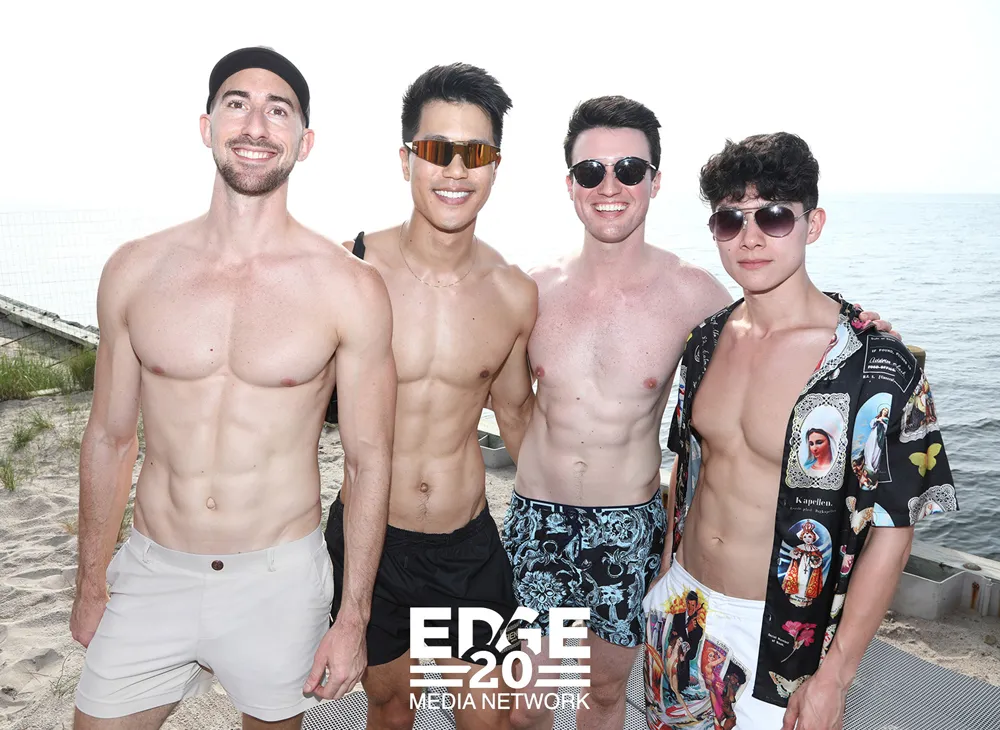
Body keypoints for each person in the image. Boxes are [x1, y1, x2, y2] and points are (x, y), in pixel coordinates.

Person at [504, 97, 894, 730]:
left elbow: (776, 315)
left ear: (654, 181)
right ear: (569, 183)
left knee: (604, 695)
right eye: (591, 171)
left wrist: (864, 331)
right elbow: (506, 398)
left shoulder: (695, 296)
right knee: (526, 704)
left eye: (630, 169)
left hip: (630, 525)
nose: (610, 186)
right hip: (540, 519)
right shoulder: (531, 288)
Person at [70, 47, 397, 730]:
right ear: (206, 126)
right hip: (153, 569)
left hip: (278, 580)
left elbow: (368, 462)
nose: (255, 125)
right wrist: (90, 581)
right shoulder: (134, 270)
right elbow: (110, 436)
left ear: (304, 142)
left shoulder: (350, 287)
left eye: (278, 111)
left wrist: (352, 618)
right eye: (237, 105)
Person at [644, 132, 958, 730]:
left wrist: (836, 675)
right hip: (681, 606)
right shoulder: (704, 341)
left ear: (812, 224)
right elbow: (690, 467)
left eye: (773, 216)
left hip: (783, 637)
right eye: (730, 219)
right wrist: (664, 576)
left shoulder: (875, 365)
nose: (750, 237)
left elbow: (894, 529)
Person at [322, 62, 537, 730]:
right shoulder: (352, 268)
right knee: (390, 706)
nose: (456, 170)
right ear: (406, 160)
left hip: (465, 546)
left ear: (496, 166)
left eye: (475, 153)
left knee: (489, 717)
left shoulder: (513, 293)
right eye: (437, 149)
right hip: (370, 540)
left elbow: (517, 415)